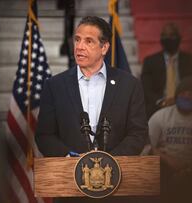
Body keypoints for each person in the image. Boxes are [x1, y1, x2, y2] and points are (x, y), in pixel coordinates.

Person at [35, 15, 147, 203]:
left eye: (88, 41)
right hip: (70, 188)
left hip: (117, 188)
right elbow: (44, 136)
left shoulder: (129, 85)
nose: (79, 46)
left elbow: (138, 133)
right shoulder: (55, 85)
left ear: (104, 47)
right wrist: (71, 157)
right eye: (77, 39)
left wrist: (108, 161)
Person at [148, 77, 192, 201]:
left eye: (191, 94)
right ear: (176, 95)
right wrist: (170, 162)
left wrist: (189, 170)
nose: (187, 96)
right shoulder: (160, 116)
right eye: (183, 93)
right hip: (164, 168)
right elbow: (147, 146)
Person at [141, 23, 192, 119]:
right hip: (158, 108)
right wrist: (162, 102)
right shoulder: (150, 62)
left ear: (179, 38)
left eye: (171, 35)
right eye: (164, 35)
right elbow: (146, 90)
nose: (167, 38)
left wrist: (180, 101)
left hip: (186, 105)